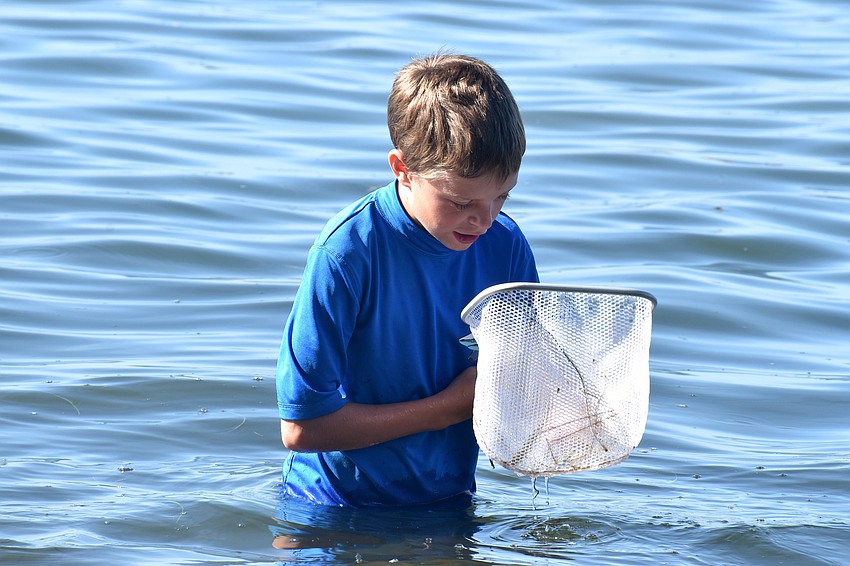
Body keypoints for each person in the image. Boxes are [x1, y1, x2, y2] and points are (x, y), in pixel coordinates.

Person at [275, 52, 539, 508]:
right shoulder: (347, 253)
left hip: (450, 504)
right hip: (330, 511)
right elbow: (301, 428)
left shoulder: (506, 244)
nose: (484, 219)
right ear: (402, 169)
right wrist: (449, 408)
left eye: (501, 196)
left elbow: (523, 379)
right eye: (460, 202)